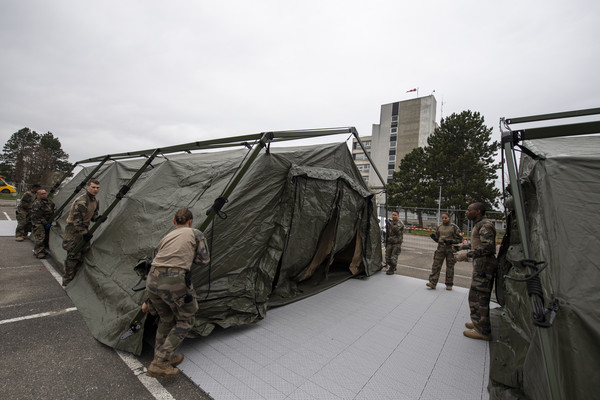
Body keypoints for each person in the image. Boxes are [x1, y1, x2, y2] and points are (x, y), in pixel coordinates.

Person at [142, 208, 210, 378]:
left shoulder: (166, 237)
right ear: (190, 222)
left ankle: (163, 357)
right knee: (186, 320)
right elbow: (204, 260)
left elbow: (158, 258)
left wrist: (148, 301)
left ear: (174, 222)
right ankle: (160, 361)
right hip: (174, 280)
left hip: (152, 280)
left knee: (166, 319)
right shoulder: (196, 233)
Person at [461, 202, 497, 341]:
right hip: (481, 266)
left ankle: (482, 330)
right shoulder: (479, 225)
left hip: (484, 267)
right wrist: (462, 247)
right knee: (476, 296)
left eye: (469, 210)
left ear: (478, 212)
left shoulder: (485, 225)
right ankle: (478, 323)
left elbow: (488, 248)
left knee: (478, 297)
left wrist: (467, 255)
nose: (466, 212)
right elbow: (478, 243)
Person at [61, 179, 100, 286]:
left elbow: (93, 216)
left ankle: (76, 278)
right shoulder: (82, 201)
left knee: (83, 253)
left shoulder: (95, 201)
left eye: (97, 187)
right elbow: (76, 221)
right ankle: (67, 280)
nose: (96, 190)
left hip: (84, 229)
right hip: (74, 230)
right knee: (73, 254)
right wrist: (84, 233)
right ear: (87, 187)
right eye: (93, 187)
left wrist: (98, 218)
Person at [426, 213, 463, 290]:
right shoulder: (439, 227)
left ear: (449, 218)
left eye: (445, 218)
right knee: (436, 265)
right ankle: (433, 282)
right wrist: (435, 239)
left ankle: (449, 284)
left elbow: (460, 239)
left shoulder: (454, 227)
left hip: (450, 249)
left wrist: (451, 241)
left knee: (450, 267)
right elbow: (438, 237)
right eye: (442, 218)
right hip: (440, 249)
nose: (444, 219)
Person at [30, 189, 55, 259]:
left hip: (47, 221)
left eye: (45, 193)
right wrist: (45, 223)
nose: (44, 195)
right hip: (38, 222)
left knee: (46, 237)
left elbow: (52, 210)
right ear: (38, 195)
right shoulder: (37, 203)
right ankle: (38, 252)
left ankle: (43, 250)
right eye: (42, 194)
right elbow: (36, 215)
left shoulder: (49, 202)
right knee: (40, 237)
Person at [385, 211, 404, 275]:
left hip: (396, 243)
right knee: (387, 258)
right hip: (390, 243)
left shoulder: (400, 223)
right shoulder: (390, 223)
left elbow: (396, 230)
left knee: (393, 258)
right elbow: (388, 233)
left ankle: (392, 269)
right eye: (392, 215)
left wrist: (389, 224)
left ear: (398, 216)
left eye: (395, 215)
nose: (393, 216)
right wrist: (386, 241)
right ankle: (393, 266)